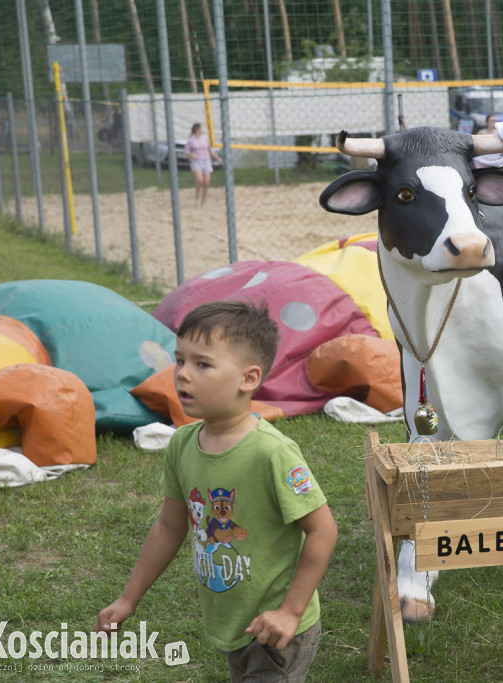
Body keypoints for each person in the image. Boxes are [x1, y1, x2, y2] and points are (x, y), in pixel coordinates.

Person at [95, 300, 338, 682]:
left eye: (202, 364)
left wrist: (290, 611)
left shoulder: (272, 453)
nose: (182, 375)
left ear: (248, 378)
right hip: (234, 625)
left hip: (276, 629)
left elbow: (322, 530)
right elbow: (169, 527)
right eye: (180, 360)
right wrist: (128, 599)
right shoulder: (182, 444)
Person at [185, 122, 223, 207]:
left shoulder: (205, 138)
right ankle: (196, 199)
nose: (202, 130)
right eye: (201, 129)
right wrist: (192, 155)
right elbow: (186, 152)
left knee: (206, 183)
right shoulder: (191, 140)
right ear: (196, 130)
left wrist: (218, 158)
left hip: (206, 161)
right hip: (196, 161)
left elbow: (209, 150)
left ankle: (203, 202)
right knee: (199, 180)